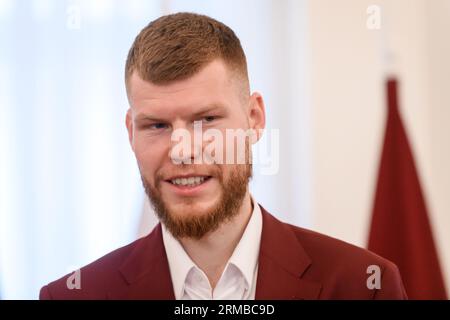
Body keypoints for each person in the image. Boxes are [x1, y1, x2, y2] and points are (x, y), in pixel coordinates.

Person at [40, 12, 407, 300]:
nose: (182, 151)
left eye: (206, 120)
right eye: (156, 126)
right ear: (130, 132)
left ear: (254, 118)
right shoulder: (73, 296)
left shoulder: (363, 287)